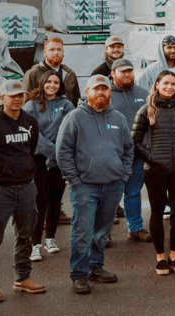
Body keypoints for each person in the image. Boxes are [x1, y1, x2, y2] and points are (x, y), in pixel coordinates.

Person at [57, 74, 133, 295]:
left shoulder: (118, 118)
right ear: (87, 92)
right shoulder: (74, 118)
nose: (101, 93)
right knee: (83, 231)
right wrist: (75, 180)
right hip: (85, 186)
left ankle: (95, 267)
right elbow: (63, 152)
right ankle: (79, 274)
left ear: (110, 92)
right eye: (96, 89)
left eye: (105, 89)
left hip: (113, 185)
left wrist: (124, 174)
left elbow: (128, 149)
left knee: (102, 230)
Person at [0, 79, 45, 302]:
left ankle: (22, 277)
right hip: (0, 190)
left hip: (26, 188)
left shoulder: (30, 121)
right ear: (1, 97)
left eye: (20, 95)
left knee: (25, 234)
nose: (17, 99)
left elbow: (30, 149)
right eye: (12, 95)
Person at [131, 71, 175, 275]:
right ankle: (160, 256)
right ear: (157, 84)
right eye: (165, 83)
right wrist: (152, 158)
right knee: (157, 213)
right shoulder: (146, 110)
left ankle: (174, 255)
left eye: (173, 84)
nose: (169, 87)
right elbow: (135, 140)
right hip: (155, 171)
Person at [23, 71, 74, 262]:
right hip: (38, 160)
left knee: (55, 200)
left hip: (59, 162)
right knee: (39, 201)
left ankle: (50, 238)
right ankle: (34, 243)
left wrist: (60, 155)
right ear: (42, 83)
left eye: (56, 82)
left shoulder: (66, 105)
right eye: (49, 82)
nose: (52, 85)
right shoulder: (31, 106)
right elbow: (33, 134)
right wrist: (54, 152)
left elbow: (69, 130)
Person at [108, 59, 151, 243]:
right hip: (113, 156)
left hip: (136, 155)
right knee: (110, 195)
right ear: (113, 73)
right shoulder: (106, 95)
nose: (127, 75)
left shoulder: (143, 94)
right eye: (123, 71)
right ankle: (104, 231)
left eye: (130, 71)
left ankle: (135, 228)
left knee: (133, 192)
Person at [24, 38, 81, 105]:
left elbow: (76, 101)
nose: (56, 53)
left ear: (63, 52)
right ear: (44, 53)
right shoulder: (33, 73)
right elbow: (26, 102)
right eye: (52, 50)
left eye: (59, 50)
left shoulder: (70, 74)